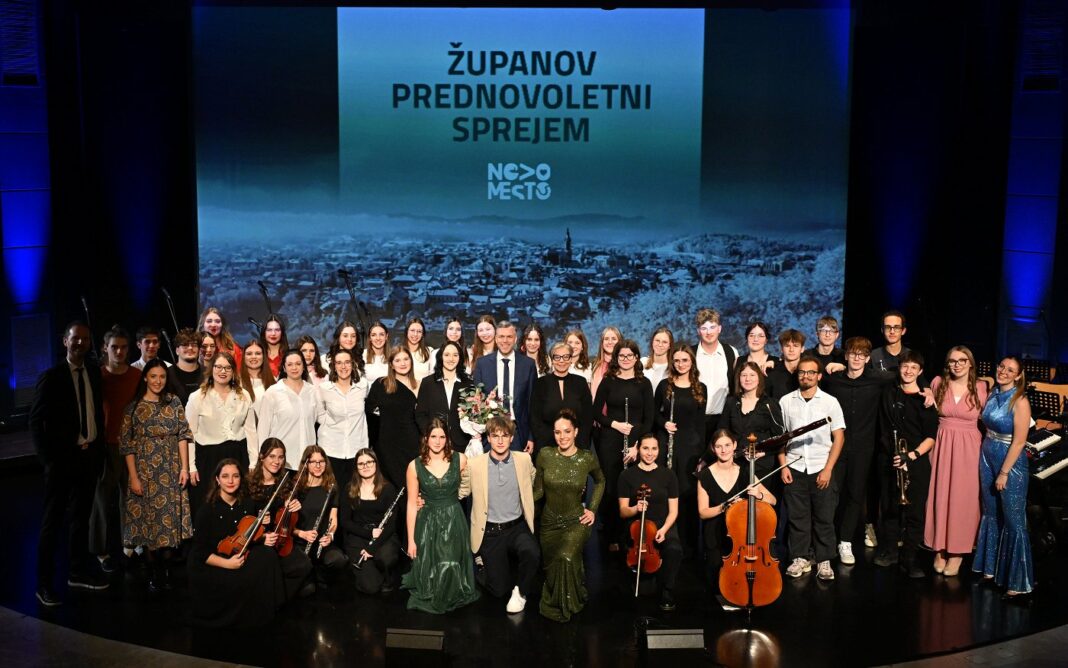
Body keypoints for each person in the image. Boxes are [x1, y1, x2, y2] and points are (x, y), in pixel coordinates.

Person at [31, 321, 109, 606]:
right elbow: (35, 421)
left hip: (88, 458)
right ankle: (43, 584)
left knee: (81, 519)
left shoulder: (93, 372)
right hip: (62, 461)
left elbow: (96, 412)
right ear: (65, 341)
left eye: (85, 339)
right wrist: (48, 461)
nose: (80, 343)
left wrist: (98, 452)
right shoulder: (52, 377)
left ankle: (77, 573)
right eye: (75, 338)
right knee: (52, 523)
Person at [120, 359, 193, 590]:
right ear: (145, 377)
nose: (158, 381)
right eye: (153, 376)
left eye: (162, 376)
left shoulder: (174, 402)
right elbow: (127, 446)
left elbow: (183, 435)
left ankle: (168, 571)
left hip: (171, 469)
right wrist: (134, 477)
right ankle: (152, 572)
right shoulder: (134, 408)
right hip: (145, 471)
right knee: (149, 522)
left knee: (169, 520)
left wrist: (184, 467)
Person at [821, 337, 893, 566]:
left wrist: (927, 389)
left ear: (868, 358)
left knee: (855, 495)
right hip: (835, 446)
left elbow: (906, 374)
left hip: (863, 448)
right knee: (831, 495)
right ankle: (826, 542)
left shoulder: (877, 379)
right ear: (846, 355)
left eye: (862, 354)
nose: (857, 358)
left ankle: (845, 542)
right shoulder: (833, 380)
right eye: (853, 353)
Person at [187, 459, 285, 628]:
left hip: (239, 555)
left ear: (241, 479)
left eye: (235, 476)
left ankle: (269, 612)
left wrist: (263, 535)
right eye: (225, 476)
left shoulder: (247, 504)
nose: (231, 481)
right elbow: (200, 552)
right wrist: (227, 564)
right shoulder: (206, 510)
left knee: (268, 555)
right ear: (217, 479)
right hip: (217, 561)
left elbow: (248, 537)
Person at [534, 409, 605, 622]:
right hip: (549, 523)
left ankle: (570, 602)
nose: (562, 436)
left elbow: (601, 481)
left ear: (576, 432)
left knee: (565, 557)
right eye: (557, 432)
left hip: (576, 521)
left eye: (567, 431)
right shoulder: (545, 455)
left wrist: (592, 509)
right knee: (552, 566)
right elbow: (538, 491)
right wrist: (517, 499)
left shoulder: (586, 458)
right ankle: (562, 595)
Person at [778, 356, 846, 581]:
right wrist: (783, 465)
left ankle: (824, 560)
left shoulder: (830, 402)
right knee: (797, 517)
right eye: (802, 372)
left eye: (810, 372)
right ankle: (800, 557)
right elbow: (781, 438)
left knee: (824, 517)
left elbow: (839, 437)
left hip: (820, 466)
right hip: (794, 467)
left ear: (819, 376)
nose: (805, 376)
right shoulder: (786, 401)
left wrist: (828, 469)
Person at [924, 346, 989, 577]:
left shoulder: (982, 387)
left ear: (970, 363)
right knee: (940, 495)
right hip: (942, 444)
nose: (957, 365)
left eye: (962, 360)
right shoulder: (937, 383)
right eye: (952, 361)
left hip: (969, 446)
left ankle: (958, 551)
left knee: (964, 499)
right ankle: (939, 547)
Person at [402, 419, 479, 613]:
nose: (437, 441)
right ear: (426, 438)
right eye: (433, 436)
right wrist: (411, 540)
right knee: (431, 573)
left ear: (447, 439)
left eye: (442, 437)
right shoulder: (414, 466)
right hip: (427, 522)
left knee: (450, 564)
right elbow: (411, 503)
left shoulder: (461, 460)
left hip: (454, 519)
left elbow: (473, 486)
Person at [973, 357, 1033, 597]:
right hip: (987, 454)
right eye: (1001, 367)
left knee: (1013, 520)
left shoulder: (1020, 401)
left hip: (1010, 462)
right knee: (991, 513)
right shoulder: (993, 392)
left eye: (1010, 370)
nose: (1004, 372)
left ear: (1018, 376)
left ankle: (1017, 582)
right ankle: (990, 569)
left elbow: (1019, 441)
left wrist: (1004, 472)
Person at [874, 351, 938, 578]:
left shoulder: (926, 401)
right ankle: (890, 552)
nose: (908, 371)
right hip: (890, 458)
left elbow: (931, 437)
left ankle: (909, 558)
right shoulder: (888, 392)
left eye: (913, 367)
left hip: (915, 460)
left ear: (920, 372)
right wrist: (894, 454)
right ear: (899, 368)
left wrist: (910, 456)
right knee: (890, 509)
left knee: (915, 512)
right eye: (905, 366)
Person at [469, 416, 539, 613]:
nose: (500, 440)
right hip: (490, 531)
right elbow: (461, 490)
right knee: (498, 590)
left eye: (505, 435)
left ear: (511, 438)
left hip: (517, 527)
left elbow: (532, 479)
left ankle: (521, 592)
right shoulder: (475, 465)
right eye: (495, 436)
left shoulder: (523, 460)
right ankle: (483, 564)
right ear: (488, 438)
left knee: (532, 553)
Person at [698, 429, 777, 594]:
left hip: (742, 534)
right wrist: (724, 506)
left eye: (727, 445)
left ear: (734, 445)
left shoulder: (746, 471)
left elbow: (773, 500)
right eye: (719, 446)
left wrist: (759, 495)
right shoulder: (704, 476)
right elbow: (703, 512)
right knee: (717, 586)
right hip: (716, 535)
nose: (724, 450)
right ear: (713, 448)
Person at [592, 339, 654, 550]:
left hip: (636, 442)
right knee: (612, 487)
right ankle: (612, 537)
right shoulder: (608, 381)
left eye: (630, 355)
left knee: (634, 487)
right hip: (611, 440)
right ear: (616, 358)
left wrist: (637, 446)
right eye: (622, 356)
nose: (626, 359)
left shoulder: (644, 383)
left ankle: (632, 537)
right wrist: (615, 424)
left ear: (636, 358)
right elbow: (595, 412)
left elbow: (649, 419)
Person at [93, 325, 141, 573]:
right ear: (105, 348)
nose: (119, 351)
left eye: (123, 347)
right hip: (105, 445)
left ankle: (129, 547)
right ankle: (100, 550)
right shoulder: (98, 376)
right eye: (114, 347)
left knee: (130, 498)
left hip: (131, 446)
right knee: (102, 500)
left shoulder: (136, 375)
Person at [186, 351, 257, 516]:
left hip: (237, 455)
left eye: (227, 368)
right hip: (208, 458)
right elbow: (190, 434)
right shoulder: (197, 397)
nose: (222, 371)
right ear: (211, 369)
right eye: (218, 367)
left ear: (233, 371)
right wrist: (191, 466)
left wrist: (253, 462)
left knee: (239, 504)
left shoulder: (243, 395)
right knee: (209, 505)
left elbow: (251, 431)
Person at [653, 344, 708, 554]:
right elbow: (653, 414)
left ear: (692, 362)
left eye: (685, 360)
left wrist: (702, 455)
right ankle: (665, 540)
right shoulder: (664, 386)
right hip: (667, 445)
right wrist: (663, 423)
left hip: (690, 449)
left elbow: (701, 424)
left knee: (687, 494)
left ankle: (688, 545)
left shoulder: (700, 388)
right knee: (665, 492)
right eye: (676, 360)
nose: (680, 364)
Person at [618, 434, 683, 611]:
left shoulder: (668, 475)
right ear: (638, 449)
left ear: (659, 450)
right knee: (643, 591)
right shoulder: (626, 475)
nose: (650, 453)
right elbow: (623, 511)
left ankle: (667, 591)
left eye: (654, 448)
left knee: (674, 549)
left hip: (663, 524)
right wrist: (635, 508)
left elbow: (674, 511)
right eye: (645, 448)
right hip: (637, 527)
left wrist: (664, 530)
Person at [246, 439, 313, 598]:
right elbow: (243, 519)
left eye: (281, 457)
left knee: (304, 565)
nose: (277, 461)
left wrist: (293, 508)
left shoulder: (286, 483)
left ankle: (278, 598)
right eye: (272, 456)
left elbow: (289, 520)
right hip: (258, 539)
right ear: (261, 457)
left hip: (281, 538)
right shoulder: (249, 484)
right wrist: (261, 532)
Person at [342, 449, 401, 594]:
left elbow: (391, 524)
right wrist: (369, 534)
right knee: (371, 587)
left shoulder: (388, 489)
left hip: (383, 535)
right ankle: (368, 572)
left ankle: (387, 574)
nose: (365, 466)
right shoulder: (350, 489)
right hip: (359, 535)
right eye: (361, 464)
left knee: (384, 557)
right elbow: (345, 522)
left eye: (369, 462)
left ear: (376, 463)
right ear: (356, 467)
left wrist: (372, 548)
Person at [473, 320, 537, 452]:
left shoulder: (528, 365)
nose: (505, 341)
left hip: (518, 433)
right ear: (496, 339)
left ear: (515, 339)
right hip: (490, 432)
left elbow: (532, 404)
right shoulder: (482, 364)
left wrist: (531, 436)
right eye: (501, 336)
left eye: (509, 337)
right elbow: (477, 401)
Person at [292, 446, 346, 594]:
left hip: (322, 542)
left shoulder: (331, 486)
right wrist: (302, 534)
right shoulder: (296, 487)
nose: (318, 465)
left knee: (338, 560)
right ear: (306, 464)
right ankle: (309, 572)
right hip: (301, 542)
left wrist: (330, 535)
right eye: (313, 462)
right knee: (307, 590)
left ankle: (321, 572)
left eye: (321, 461)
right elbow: (287, 524)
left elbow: (333, 519)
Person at [316, 348, 369, 495]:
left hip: (356, 448)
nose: (343, 366)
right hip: (331, 448)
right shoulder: (325, 388)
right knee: (333, 494)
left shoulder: (363, 386)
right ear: (333, 366)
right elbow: (319, 414)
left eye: (347, 362)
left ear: (353, 364)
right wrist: (330, 425)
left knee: (353, 494)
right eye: (339, 363)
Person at [258, 349, 317, 470]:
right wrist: (261, 459)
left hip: (307, 462)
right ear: (284, 368)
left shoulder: (312, 391)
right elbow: (263, 429)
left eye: (298, 364)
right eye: (290, 364)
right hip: (281, 462)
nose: (294, 368)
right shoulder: (273, 392)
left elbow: (318, 421)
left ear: (304, 367)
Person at [530, 341, 593, 451]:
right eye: (557, 357)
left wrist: (579, 443)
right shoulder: (540, 383)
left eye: (566, 357)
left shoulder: (581, 382)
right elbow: (535, 418)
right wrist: (546, 445)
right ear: (552, 360)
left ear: (571, 359)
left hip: (577, 445)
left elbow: (588, 417)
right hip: (547, 446)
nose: (561, 361)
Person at [415, 341, 473, 452]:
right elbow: (420, 414)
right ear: (440, 357)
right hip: (434, 443)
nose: (451, 359)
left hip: (461, 442)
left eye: (455, 355)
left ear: (460, 358)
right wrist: (430, 434)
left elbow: (473, 415)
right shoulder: (428, 382)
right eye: (447, 355)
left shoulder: (468, 383)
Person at [694, 309, 738, 440]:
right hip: (695, 419)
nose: (709, 332)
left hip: (723, 419)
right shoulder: (690, 353)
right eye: (704, 328)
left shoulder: (731, 352)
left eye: (712, 327)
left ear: (719, 328)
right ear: (698, 331)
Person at [166, 328, 202, 405]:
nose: (190, 348)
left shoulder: (208, 374)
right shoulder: (167, 374)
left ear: (199, 350)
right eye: (185, 345)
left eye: (194, 345)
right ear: (177, 351)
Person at [765, 329, 805, 400]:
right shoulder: (771, 372)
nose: (791, 350)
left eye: (795, 346)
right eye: (787, 346)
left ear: (802, 349)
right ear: (781, 349)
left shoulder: (809, 371)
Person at [869, 310, 911, 375]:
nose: (892, 331)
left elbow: (920, 380)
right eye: (887, 327)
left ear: (903, 331)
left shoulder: (911, 356)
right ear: (882, 330)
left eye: (896, 327)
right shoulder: (873, 356)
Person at [237, 339, 274, 408]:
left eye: (258, 353)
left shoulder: (273, 381)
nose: (253, 357)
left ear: (263, 356)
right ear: (244, 357)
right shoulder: (236, 382)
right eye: (249, 354)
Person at [590, 326, 621, 397]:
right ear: (602, 343)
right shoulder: (593, 365)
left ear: (620, 342)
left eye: (614, 339)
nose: (610, 342)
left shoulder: (625, 364)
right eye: (606, 339)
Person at [641, 327, 674, 392]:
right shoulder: (642, 362)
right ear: (652, 342)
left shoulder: (673, 367)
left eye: (664, 342)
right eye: (657, 341)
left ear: (669, 346)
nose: (660, 344)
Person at [404, 317, 434, 381]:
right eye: (412, 330)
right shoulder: (399, 352)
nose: (415, 334)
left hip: (424, 387)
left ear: (422, 334)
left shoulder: (429, 351)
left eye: (419, 331)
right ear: (407, 332)